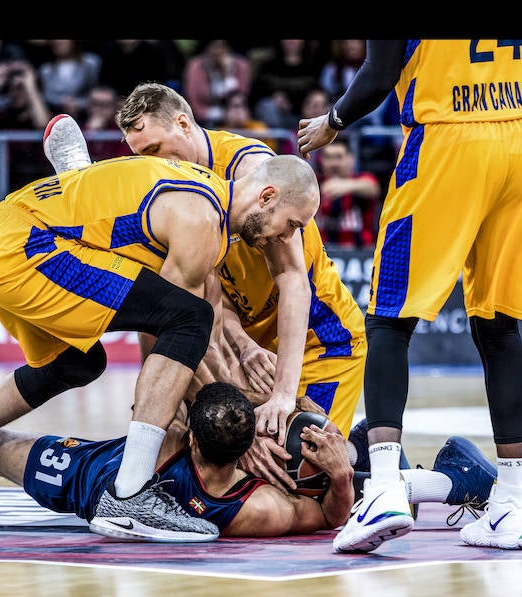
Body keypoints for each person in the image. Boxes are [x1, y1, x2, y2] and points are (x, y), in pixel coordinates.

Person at [0, 138, 320, 543]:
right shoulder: (202, 220)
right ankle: (129, 495)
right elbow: (164, 336)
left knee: (78, 362)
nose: (285, 239)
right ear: (266, 196)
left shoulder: (199, 188)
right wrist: (230, 426)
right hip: (25, 246)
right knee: (188, 318)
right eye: (291, 225)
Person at [297, 39, 522, 552]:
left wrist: (332, 120)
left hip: (447, 139)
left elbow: (379, 73)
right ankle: (511, 501)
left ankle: (385, 487)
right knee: (499, 324)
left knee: (389, 319)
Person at [47, 83, 366, 493]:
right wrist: (236, 346)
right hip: (248, 339)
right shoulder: (175, 192)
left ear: (183, 123)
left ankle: (406, 476)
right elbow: (202, 296)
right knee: (219, 461)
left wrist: (285, 395)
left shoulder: (250, 171)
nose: (150, 162)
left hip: (318, 337)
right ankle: (84, 183)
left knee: (301, 476)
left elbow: (292, 281)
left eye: (155, 149)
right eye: (139, 155)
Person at [0, 383, 498, 539]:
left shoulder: (176, 437)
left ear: (181, 426)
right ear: (250, 446)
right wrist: (342, 475)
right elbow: (328, 516)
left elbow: (337, 520)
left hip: (97, 481)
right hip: (112, 484)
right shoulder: (257, 501)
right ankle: (451, 476)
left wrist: (344, 478)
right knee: (338, 455)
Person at [314, 138, 381, 249]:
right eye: (328, 157)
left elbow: (373, 188)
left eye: (339, 157)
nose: (333, 163)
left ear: (351, 159)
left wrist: (345, 185)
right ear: (321, 161)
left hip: (360, 255)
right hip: (322, 253)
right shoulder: (314, 182)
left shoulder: (364, 179)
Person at [182, 39, 252, 128]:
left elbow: (241, 96)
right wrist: (215, 114)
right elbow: (192, 99)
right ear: (207, 47)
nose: (218, 51)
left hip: (233, 114)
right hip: (204, 116)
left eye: (222, 47)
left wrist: (228, 73)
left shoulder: (240, 65)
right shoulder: (196, 66)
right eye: (215, 47)